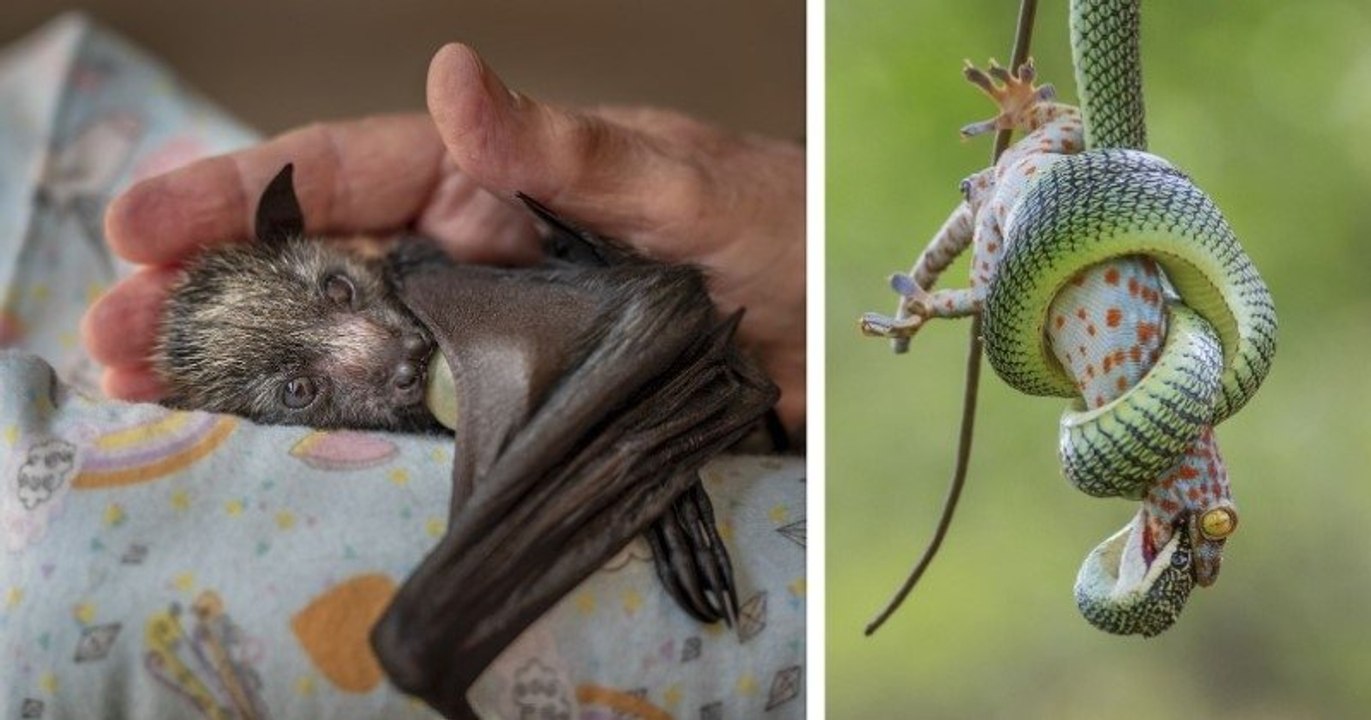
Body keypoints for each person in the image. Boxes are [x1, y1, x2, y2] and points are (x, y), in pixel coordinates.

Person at [80, 43, 806, 435]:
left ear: (328, 254)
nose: (378, 348)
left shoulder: (441, 274)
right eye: (301, 390)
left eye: (338, 293)